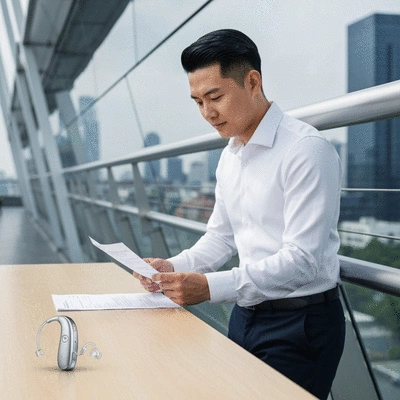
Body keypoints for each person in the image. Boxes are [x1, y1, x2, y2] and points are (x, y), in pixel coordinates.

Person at [133, 29, 345, 399]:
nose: (207, 113)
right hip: (247, 314)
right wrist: (173, 265)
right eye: (198, 101)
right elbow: (221, 236)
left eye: (215, 96)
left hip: (301, 323)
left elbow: (303, 261)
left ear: (252, 82)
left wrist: (210, 287)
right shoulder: (230, 156)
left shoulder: (306, 150)